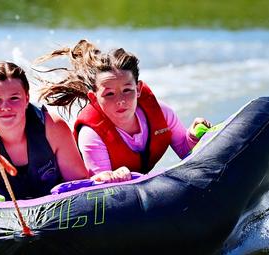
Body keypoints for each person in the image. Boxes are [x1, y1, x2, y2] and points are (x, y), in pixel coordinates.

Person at [35, 39, 211, 177]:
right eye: (109, 94)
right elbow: (100, 186)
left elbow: (186, 153)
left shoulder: (163, 114)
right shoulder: (91, 135)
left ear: (139, 89)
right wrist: (110, 177)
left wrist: (194, 136)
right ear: (94, 98)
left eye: (127, 90)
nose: (120, 100)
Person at [0, 61, 93, 205]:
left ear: (27, 98)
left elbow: (80, 186)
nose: (5, 107)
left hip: (57, 212)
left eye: (14, 98)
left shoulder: (53, 127)